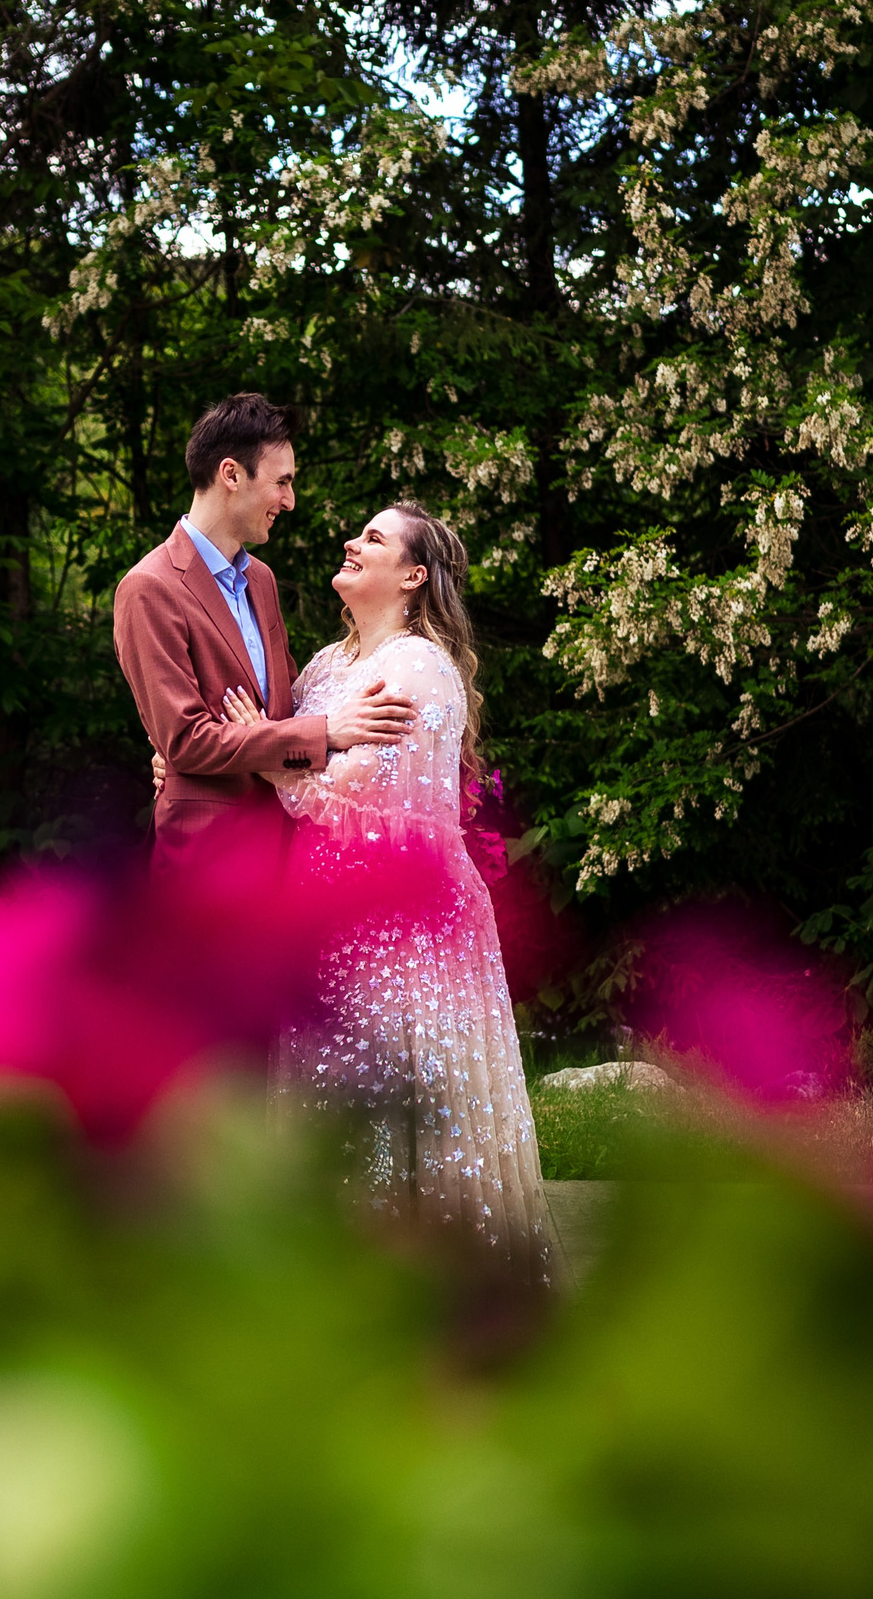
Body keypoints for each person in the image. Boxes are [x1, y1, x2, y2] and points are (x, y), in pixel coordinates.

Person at [175, 500, 559, 1282]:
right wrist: (221, 762)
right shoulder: (322, 668)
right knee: (334, 1123)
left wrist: (263, 757)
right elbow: (288, 766)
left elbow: (343, 800)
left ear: (413, 577)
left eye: (374, 538)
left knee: (395, 1124)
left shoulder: (418, 667)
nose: (351, 540)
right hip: (331, 929)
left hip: (400, 936)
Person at [112, 394, 416, 875]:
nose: (290, 501)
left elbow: (284, 710)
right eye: (282, 482)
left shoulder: (262, 580)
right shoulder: (149, 588)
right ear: (231, 475)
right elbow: (188, 741)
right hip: (205, 866)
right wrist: (326, 732)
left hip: (287, 855)